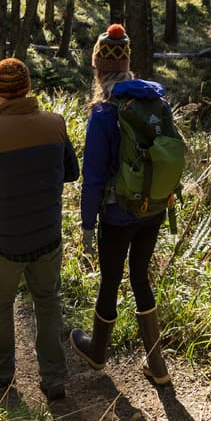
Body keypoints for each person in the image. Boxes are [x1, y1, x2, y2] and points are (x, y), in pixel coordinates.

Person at [0, 57, 79, 400]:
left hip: (2, 242)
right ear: (27, 88)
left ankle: (2, 374)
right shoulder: (55, 124)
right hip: (48, 237)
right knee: (48, 301)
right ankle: (54, 378)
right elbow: (71, 172)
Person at [70, 23, 171, 386]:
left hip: (117, 212)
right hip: (154, 207)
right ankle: (158, 366)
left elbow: (94, 175)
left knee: (111, 280)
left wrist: (86, 224)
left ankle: (97, 351)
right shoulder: (156, 101)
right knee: (141, 275)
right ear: (128, 63)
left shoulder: (103, 113)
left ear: (97, 67)